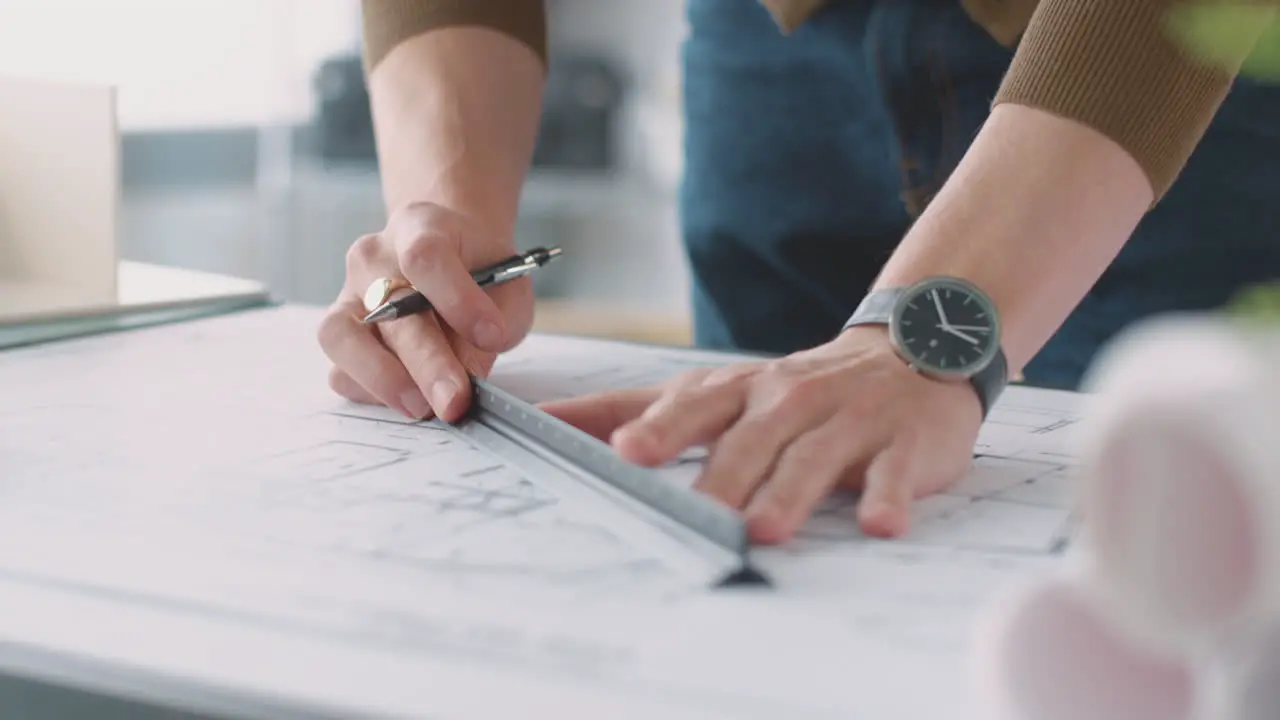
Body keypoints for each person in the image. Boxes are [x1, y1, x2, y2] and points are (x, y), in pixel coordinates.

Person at [318, 0, 1280, 543]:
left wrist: (925, 335)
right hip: (770, 46)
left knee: (1172, 568)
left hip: (1170, 63)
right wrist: (443, 210)